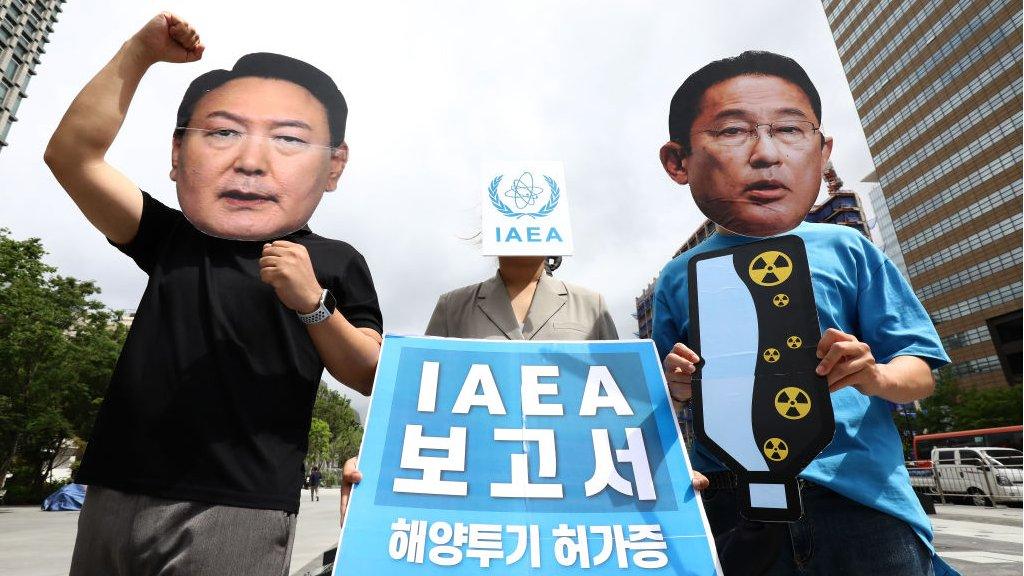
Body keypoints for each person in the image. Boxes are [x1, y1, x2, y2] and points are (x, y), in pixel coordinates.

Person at [45, 13, 383, 575]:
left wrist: (313, 304)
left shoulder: (334, 260)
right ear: (178, 155)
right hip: (114, 489)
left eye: (289, 140)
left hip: (238, 502)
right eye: (223, 132)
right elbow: (73, 157)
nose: (251, 161)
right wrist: (139, 53)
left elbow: (372, 372)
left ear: (333, 166)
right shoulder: (171, 238)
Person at [653, 51, 953, 575]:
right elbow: (658, 401)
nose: (766, 154)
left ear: (821, 149)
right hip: (732, 506)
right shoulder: (678, 277)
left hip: (860, 502)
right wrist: (676, 388)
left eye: (790, 130)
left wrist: (875, 375)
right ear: (679, 161)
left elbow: (921, 370)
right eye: (731, 132)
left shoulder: (848, 248)